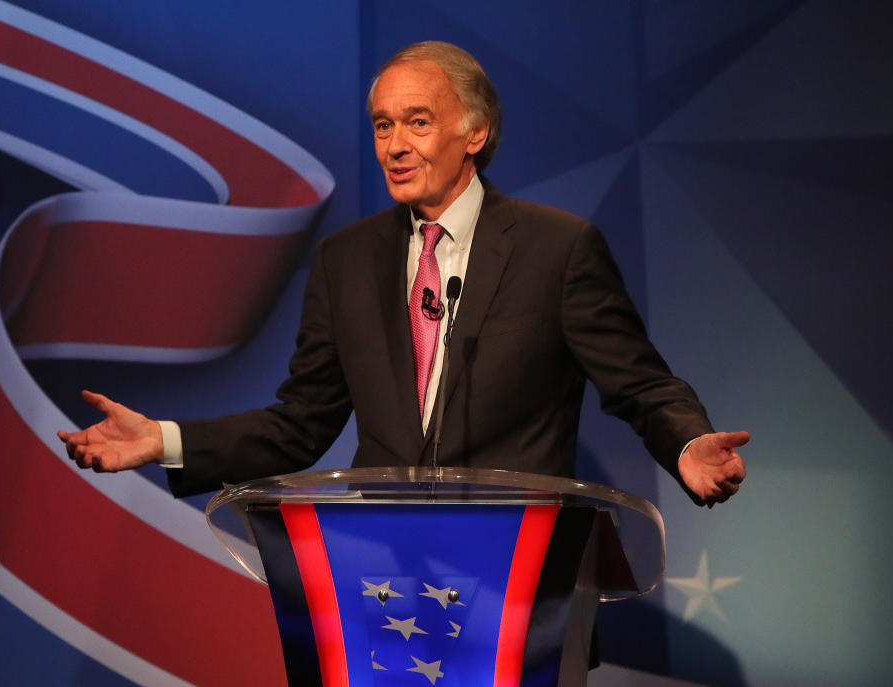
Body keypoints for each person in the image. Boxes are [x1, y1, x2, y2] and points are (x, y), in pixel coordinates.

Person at [59, 41, 746, 505]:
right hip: (380, 576)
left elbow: (640, 383)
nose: (394, 145)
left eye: (417, 122)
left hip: (516, 574)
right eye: (383, 126)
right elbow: (300, 424)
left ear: (473, 133)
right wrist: (165, 439)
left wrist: (685, 440)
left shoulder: (557, 250)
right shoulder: (347, 261)